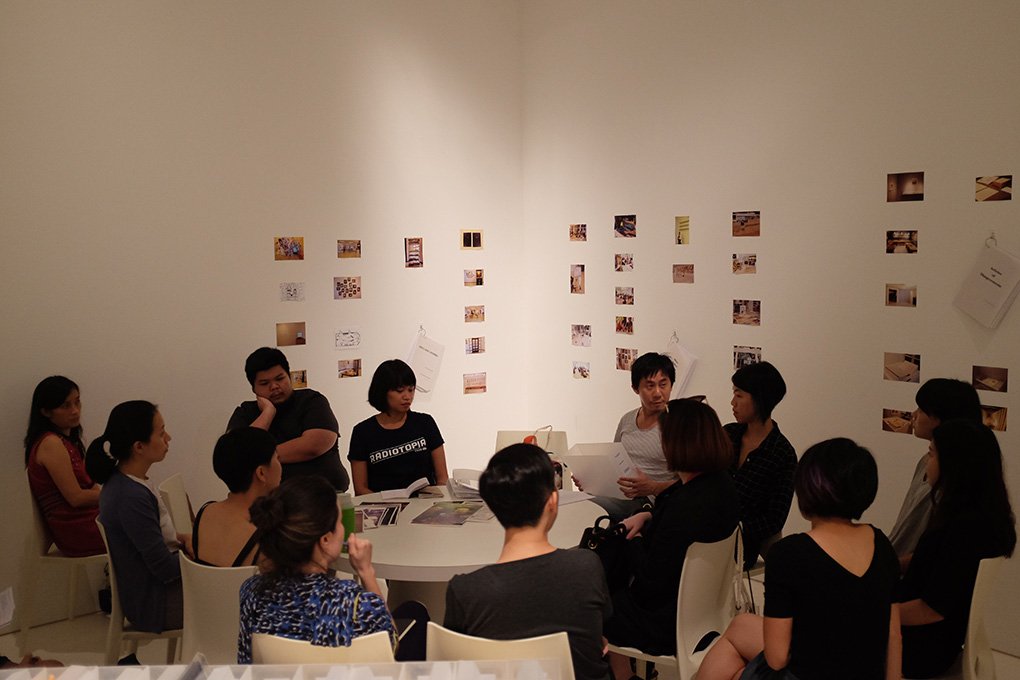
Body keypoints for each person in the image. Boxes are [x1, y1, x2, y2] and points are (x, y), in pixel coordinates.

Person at [698, 438, 901, 680]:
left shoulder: (789, 554)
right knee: (740, 624)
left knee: (734, 664)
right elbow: (893, 636)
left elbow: (777, 658)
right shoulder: (881, 544)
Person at [444, 443, 612, 680]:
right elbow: (597, 628)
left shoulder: (465, 590)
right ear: (552, 501)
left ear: (493, 506)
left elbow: (458, 665)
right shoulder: (587, 566)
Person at [603, 399, 739, 680]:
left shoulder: (685, 506)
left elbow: (649, 584)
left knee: (588, 602)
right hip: (704, 611)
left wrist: (633, 539)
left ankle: (619, 674)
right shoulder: (720, 484)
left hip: (665, 621)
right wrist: (647, 516)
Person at [898, 419, 1016, 678]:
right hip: (934, 638)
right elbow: (936, 563)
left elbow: (931, 609)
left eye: (931, 455)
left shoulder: (964, 530)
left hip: (918, 648)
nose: (927, 464)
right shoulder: (980, 517)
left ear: (954, 465)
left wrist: (872, 611)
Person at [237, 476, 396, 664]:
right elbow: (390, 646)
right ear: (325, 540)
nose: (343, 529)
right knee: (414, 611)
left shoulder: (251, 591)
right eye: (339, 522)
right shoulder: (353, 602)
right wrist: (366, 571)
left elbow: (246, 660)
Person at [85, 401, 184, 634]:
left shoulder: (129, 483)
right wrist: (200, 557)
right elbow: (164, 568)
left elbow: (153, 538)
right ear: (139, 446)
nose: (168, 438)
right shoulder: (129, 496)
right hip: (156, 604)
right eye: (161, 433)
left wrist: (186, 541)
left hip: (156, 593)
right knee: (240, 591)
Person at [227, 347, 349, 491]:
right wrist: (268, 413)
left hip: (326, 493)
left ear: (289, 377)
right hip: (270, 499)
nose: (274, 386)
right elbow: (235, 455)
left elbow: (315, 445)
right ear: (253, 388)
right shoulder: (245, 411)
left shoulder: (311, 400)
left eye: (280, 379)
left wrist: (257, 456)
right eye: (264, 383)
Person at [888, 378, 982, 562]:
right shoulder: (925, 462)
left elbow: (936, 552)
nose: (914, 415)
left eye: (921, 410)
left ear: (940, 419)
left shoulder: (955, 479)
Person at [587, 353, 680, 520]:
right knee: (581, 502)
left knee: (592, 509)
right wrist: (591, 481)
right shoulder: (627, 420)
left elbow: (692, 484)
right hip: (621, 494)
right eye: (650, 386)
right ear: (636, 388)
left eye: (663, 384)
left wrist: (653, 487)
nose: (658, 393)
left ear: (671, 385)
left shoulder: (678, 425)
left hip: (653, 502)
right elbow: (613, 462)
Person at [725, 361, 796, 568]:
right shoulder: (728, 434)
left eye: (739, 395)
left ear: (759, 399)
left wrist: (731, 529)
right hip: (707, 535)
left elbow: (774, 520)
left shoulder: (782, 453)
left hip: (741, 549)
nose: (732, 402)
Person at [24, 376, 104, 557]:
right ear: (46, 412)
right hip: (77, 530)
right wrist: (116, 496)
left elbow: (90, 485)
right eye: (65, 406)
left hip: (88, 520)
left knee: (145, 519)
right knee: (144, 524)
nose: (75, 410)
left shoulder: (67, 442)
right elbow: (76, 498)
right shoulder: (50, 443)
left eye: (77, 402)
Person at [348, 359, 448, 495]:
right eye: (400, 390)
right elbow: (361, 489)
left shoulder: (425, 423)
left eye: (411, 390)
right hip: (382, 505)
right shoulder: (362, 432)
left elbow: (442, 478)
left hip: (426, 503)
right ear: (383, 391)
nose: (407, 397)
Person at [191, 427, 282, 567]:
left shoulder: (206, 511)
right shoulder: (263, 539)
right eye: (277, 458)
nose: (281, 465)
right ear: (261, 473)